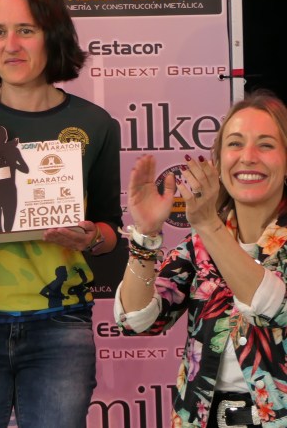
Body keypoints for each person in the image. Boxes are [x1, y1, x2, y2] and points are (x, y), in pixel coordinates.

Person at [0, 0, 122, 428]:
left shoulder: (96, 124)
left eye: (26, 30)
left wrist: (91, 237)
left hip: (60, 325)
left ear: (52, 36)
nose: (11, 45)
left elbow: (110, 230)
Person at [115, 90, 287, 427]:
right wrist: (145, 236)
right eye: (235, 144)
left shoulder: (208, 231)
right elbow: (137, 320)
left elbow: (271, 307)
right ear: (219, 162)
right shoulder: (198, 246)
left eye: (266, 145)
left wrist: (209, 224)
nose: (248, 157)